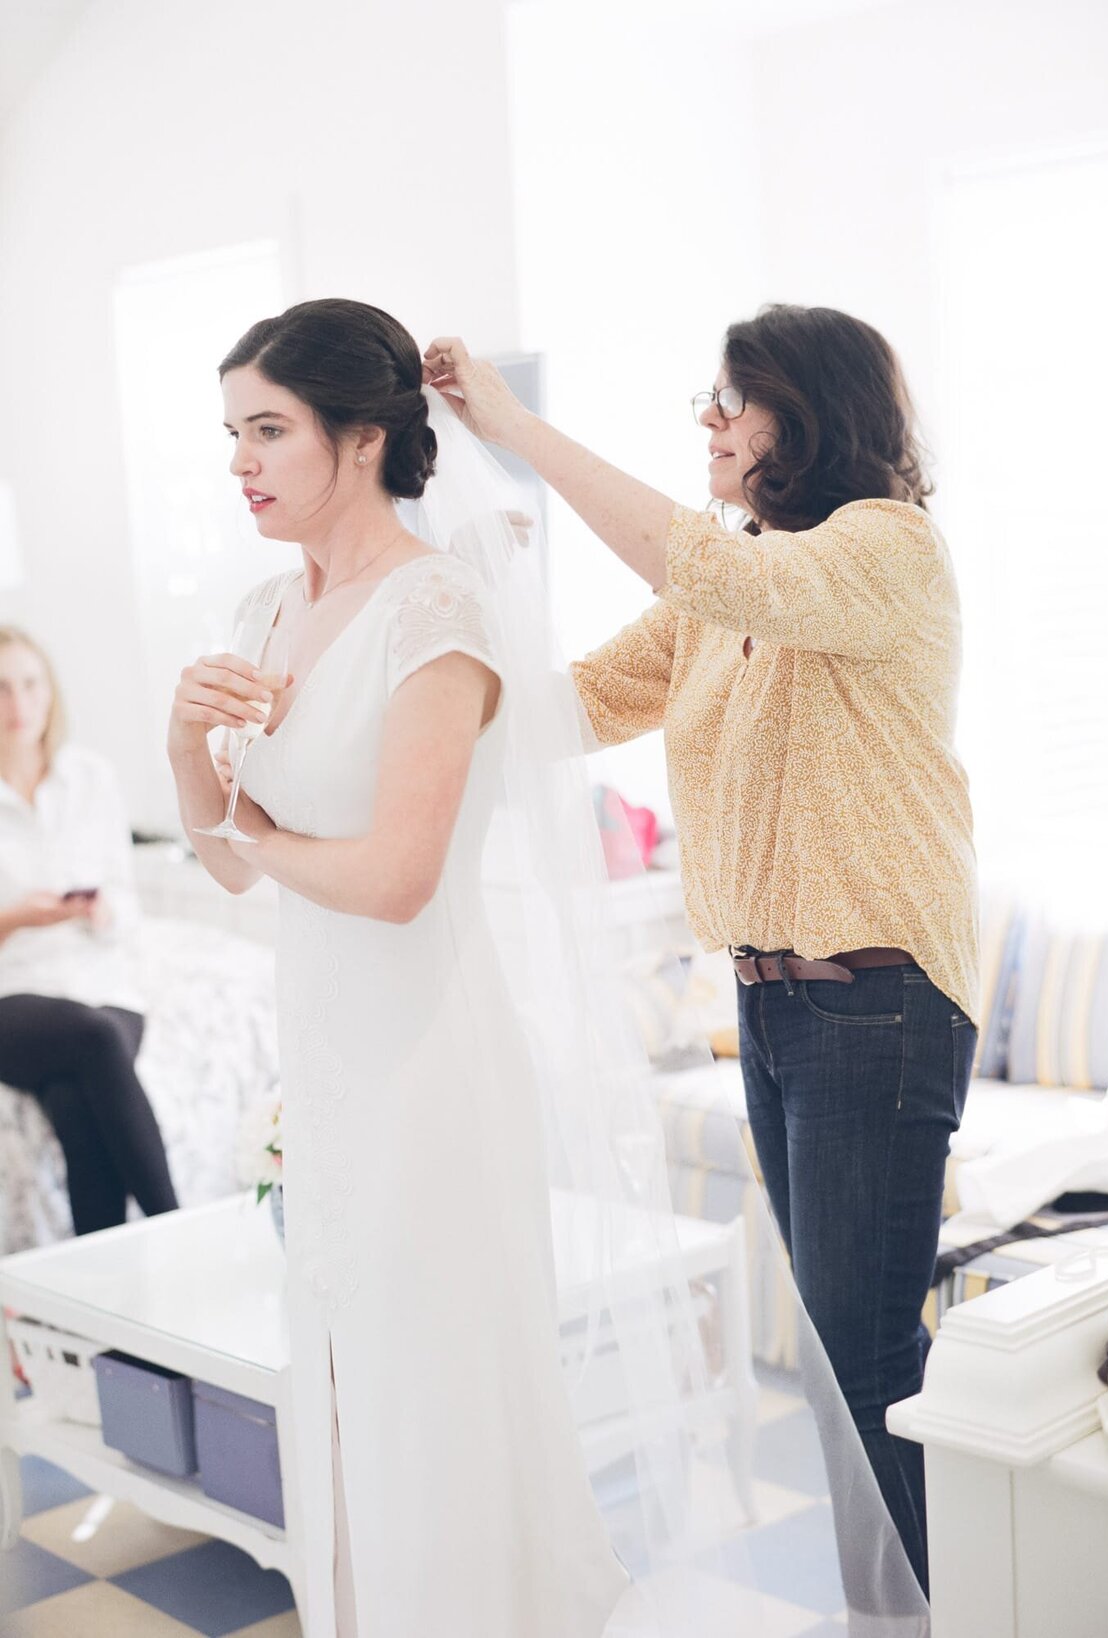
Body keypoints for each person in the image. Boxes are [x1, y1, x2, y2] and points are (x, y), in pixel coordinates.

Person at [422, 305, 980, 1596]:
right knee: (852, 1375)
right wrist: (452, 616)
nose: (710, 423)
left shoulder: (886, 551)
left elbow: (706, 568)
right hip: (780, 1012)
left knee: (863, 1361)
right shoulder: (727, 589)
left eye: (735, 400)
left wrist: (510, 430)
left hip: (877, 1004)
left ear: (812, 412)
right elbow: (568, 703)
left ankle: (960, 1611)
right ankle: (897, 1616)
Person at [167, 300, 629, 1638]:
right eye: (234, 433)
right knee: (345, 1389)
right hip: (325, 1058)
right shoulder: (265, 607)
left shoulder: (440, 604)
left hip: (426, 1057)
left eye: (269, 429)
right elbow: (228, 867)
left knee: (431, 1392)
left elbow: (396, 874)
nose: (241, 460)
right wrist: (185, 734)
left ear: (359, 438)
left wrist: (251, 823)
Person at [0, 626, 178, 1235]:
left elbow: (126, 903)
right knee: (96, 1040)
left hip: (101, 978)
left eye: (29, 685)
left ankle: (107, 1316)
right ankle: (176, 1230)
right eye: (0, 690)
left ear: (50, 692)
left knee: (77, 1105)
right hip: (15, 994)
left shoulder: (90, 776)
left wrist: (101, 911)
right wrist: (17, 918)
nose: (17, 706)